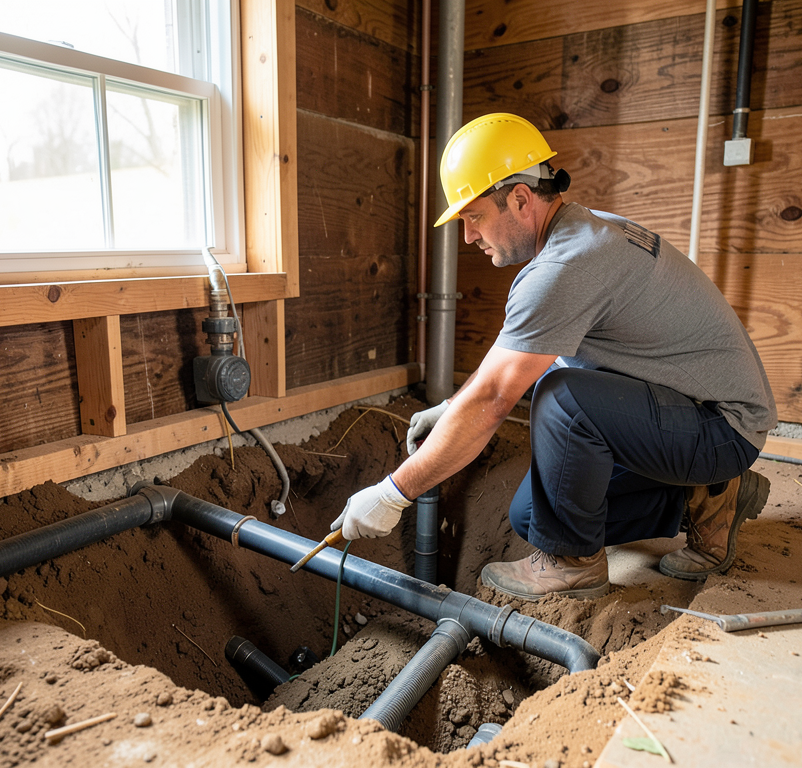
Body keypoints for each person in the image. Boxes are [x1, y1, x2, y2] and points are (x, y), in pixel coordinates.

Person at [330, 113, 778, 601]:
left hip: (722, 427)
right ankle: (709, 499)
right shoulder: (585, 232)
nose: (468, 236)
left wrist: (393, 492)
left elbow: (495, 398)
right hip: (694, 412)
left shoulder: (563, 267)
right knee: (535, 516)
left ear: (520, 199)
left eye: (474, 216)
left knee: (564, 401)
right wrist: (448, 409)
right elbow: (512, 354)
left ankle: (573, 567)